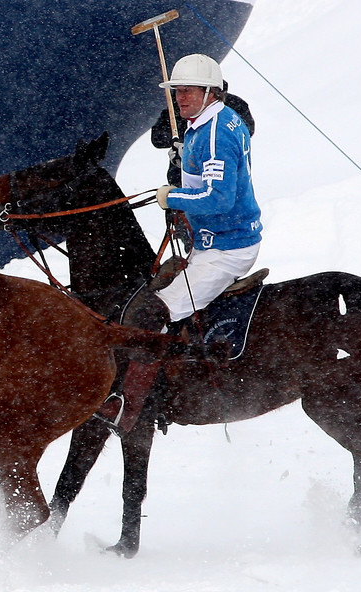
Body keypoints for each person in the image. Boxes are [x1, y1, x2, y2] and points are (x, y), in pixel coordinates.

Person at [96, 53, 262, 433]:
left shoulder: (217, 133)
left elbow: (219, 198)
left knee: (151, 311)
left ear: (210, 92)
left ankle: (128, 404)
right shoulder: (204, 123)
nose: (179, 98)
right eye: (176, 91)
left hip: (227, 247)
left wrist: (172, 197)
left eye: (187, 91)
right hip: (210, 239)